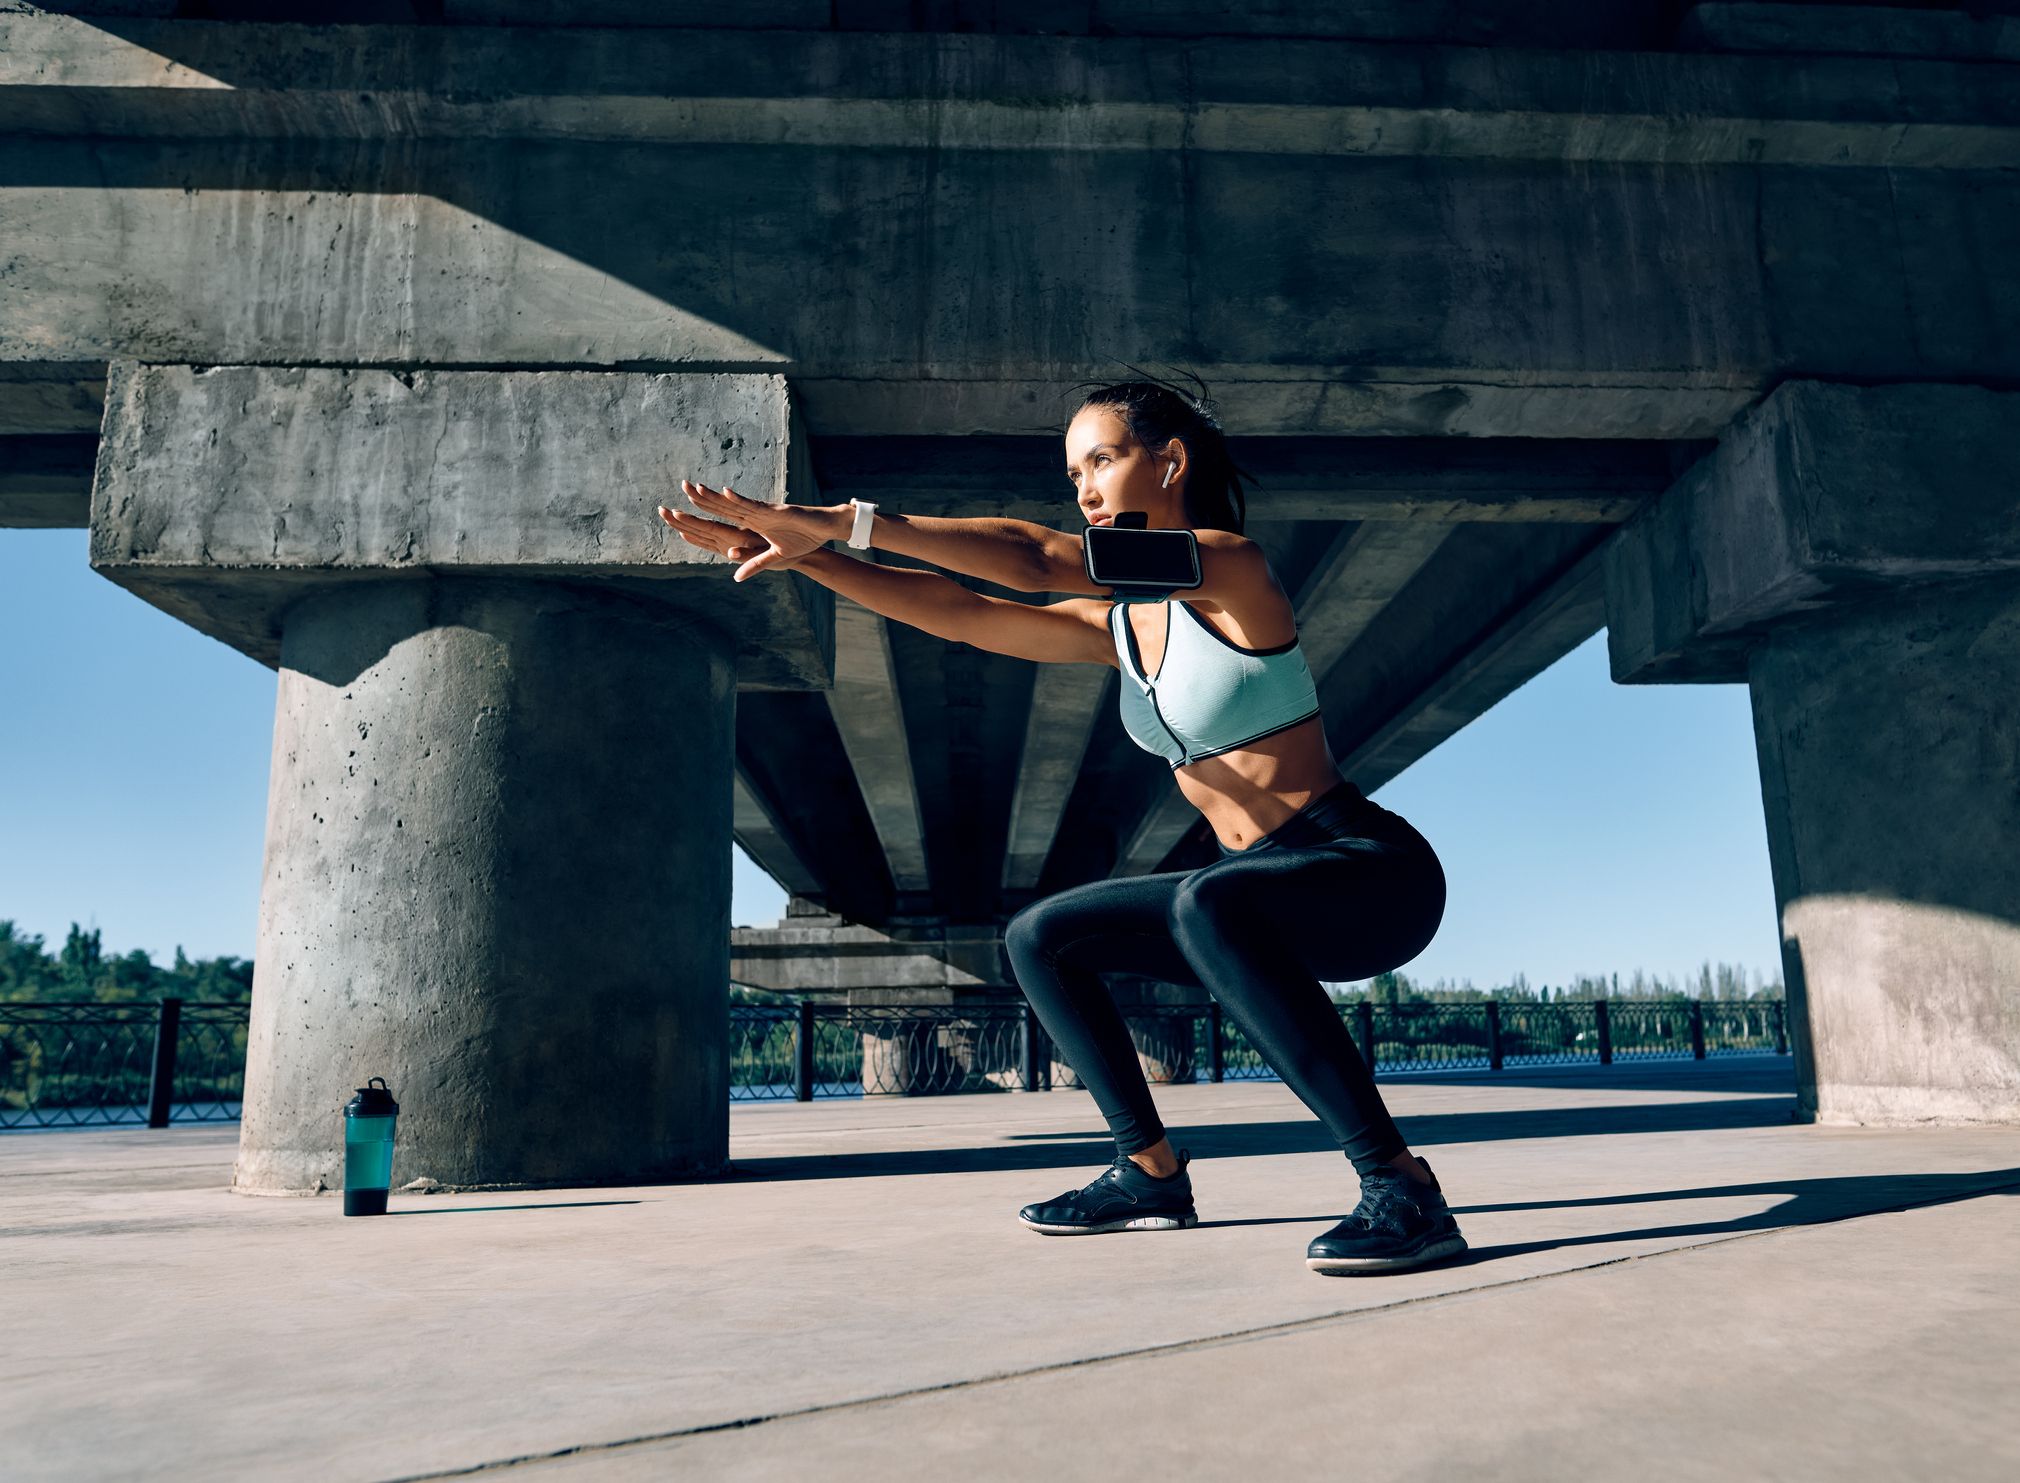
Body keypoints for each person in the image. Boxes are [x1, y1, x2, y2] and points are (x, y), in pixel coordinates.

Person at [656, 375, 1465, 1275]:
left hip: (1363, 870)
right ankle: (1149, 1170)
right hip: (1250, 891)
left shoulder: (1234, 569)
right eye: (1073, 470)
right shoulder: (1121, 627)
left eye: (1103, 460)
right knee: (1043, 935)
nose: (1083, 487)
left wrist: (846, 519)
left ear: (1170, 461)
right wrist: (806, 555)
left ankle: (1402, 1186)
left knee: (1208, 902)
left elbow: (1039, 561)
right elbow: (964, 614)